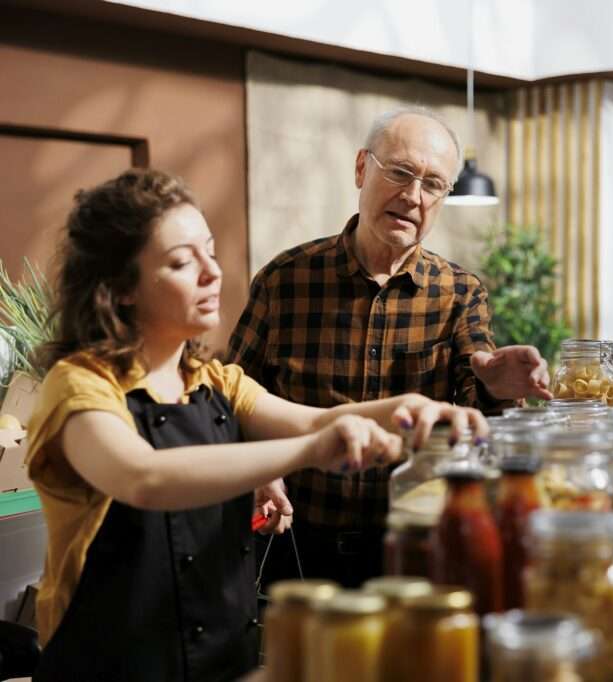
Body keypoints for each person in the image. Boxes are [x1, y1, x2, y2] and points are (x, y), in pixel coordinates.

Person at [25, 169, 485, 681]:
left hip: (222, 666)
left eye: (210, 251)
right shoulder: (80, 386)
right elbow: (144, 478)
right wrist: (309, 451)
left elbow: (320, 419)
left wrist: (417, 409)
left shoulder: (212, 379)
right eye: (181, 262)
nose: (211, 273)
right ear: (120, 289)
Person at [227, 107, 551, 587]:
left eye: (433, 184)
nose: (413, 197)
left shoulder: (460, 292)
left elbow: (479, 403)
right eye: (400, 173)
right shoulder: (284, 280)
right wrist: (257, 469)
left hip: (413, 540)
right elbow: (229, 398)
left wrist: (495, 386)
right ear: (362, 168)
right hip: (296, 536)